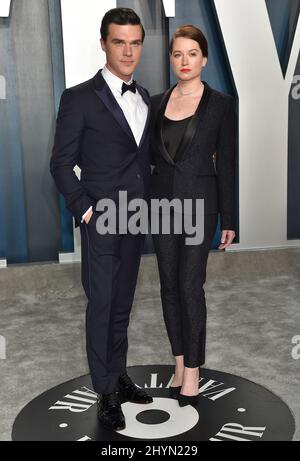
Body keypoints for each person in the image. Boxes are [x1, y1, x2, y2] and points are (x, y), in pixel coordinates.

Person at [50, 8, 153, 432]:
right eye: (119, 42)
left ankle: (118, 374)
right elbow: (60, 164)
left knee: (123, 305)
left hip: (137, 220)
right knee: (102, 305)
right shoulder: (79, 98)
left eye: (135, 43)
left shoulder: (145, 96)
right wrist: (86, 210)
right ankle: (105, 390)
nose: (128, 51)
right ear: (103, 43)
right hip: (102, 221)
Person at [150, 25, 237, 407]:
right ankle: (180, 362)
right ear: (171, 60)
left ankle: (195, 371)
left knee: (189, 286)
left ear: (203, 58)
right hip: (161, 207)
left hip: (201, 207)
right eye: (177, 54)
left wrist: (230, 219)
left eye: (191, 54)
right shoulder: (155, 102)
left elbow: (229, 164)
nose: (184, 61)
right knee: (168, 286)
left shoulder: (220, 103)